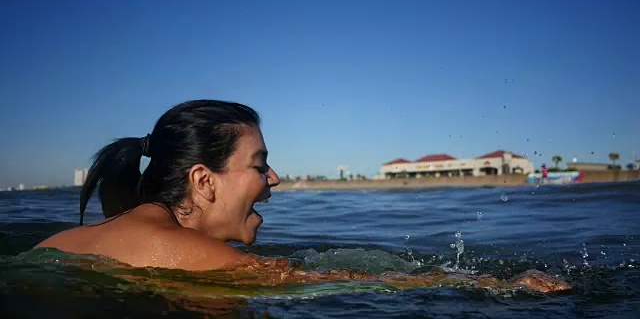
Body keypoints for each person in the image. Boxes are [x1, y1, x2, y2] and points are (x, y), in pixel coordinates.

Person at [36, 100, 570, 293]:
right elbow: (333, 282)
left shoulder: (67, 242)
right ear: (203, 181)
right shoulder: (202, 259)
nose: (274, 180)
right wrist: (498, 286)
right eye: (259, 165)